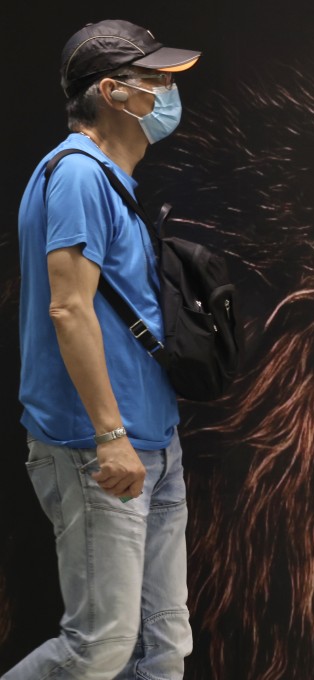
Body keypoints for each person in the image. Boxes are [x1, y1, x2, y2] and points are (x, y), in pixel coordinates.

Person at [4, 19, 200, 680]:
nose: (169, 93)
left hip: (154, 447)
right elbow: (67, 306)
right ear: (113, 92)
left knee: (163, 645)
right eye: (156, 81)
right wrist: (111, 435)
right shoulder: (78, 177)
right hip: (102, 452)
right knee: (101, 645)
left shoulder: (109, 180)